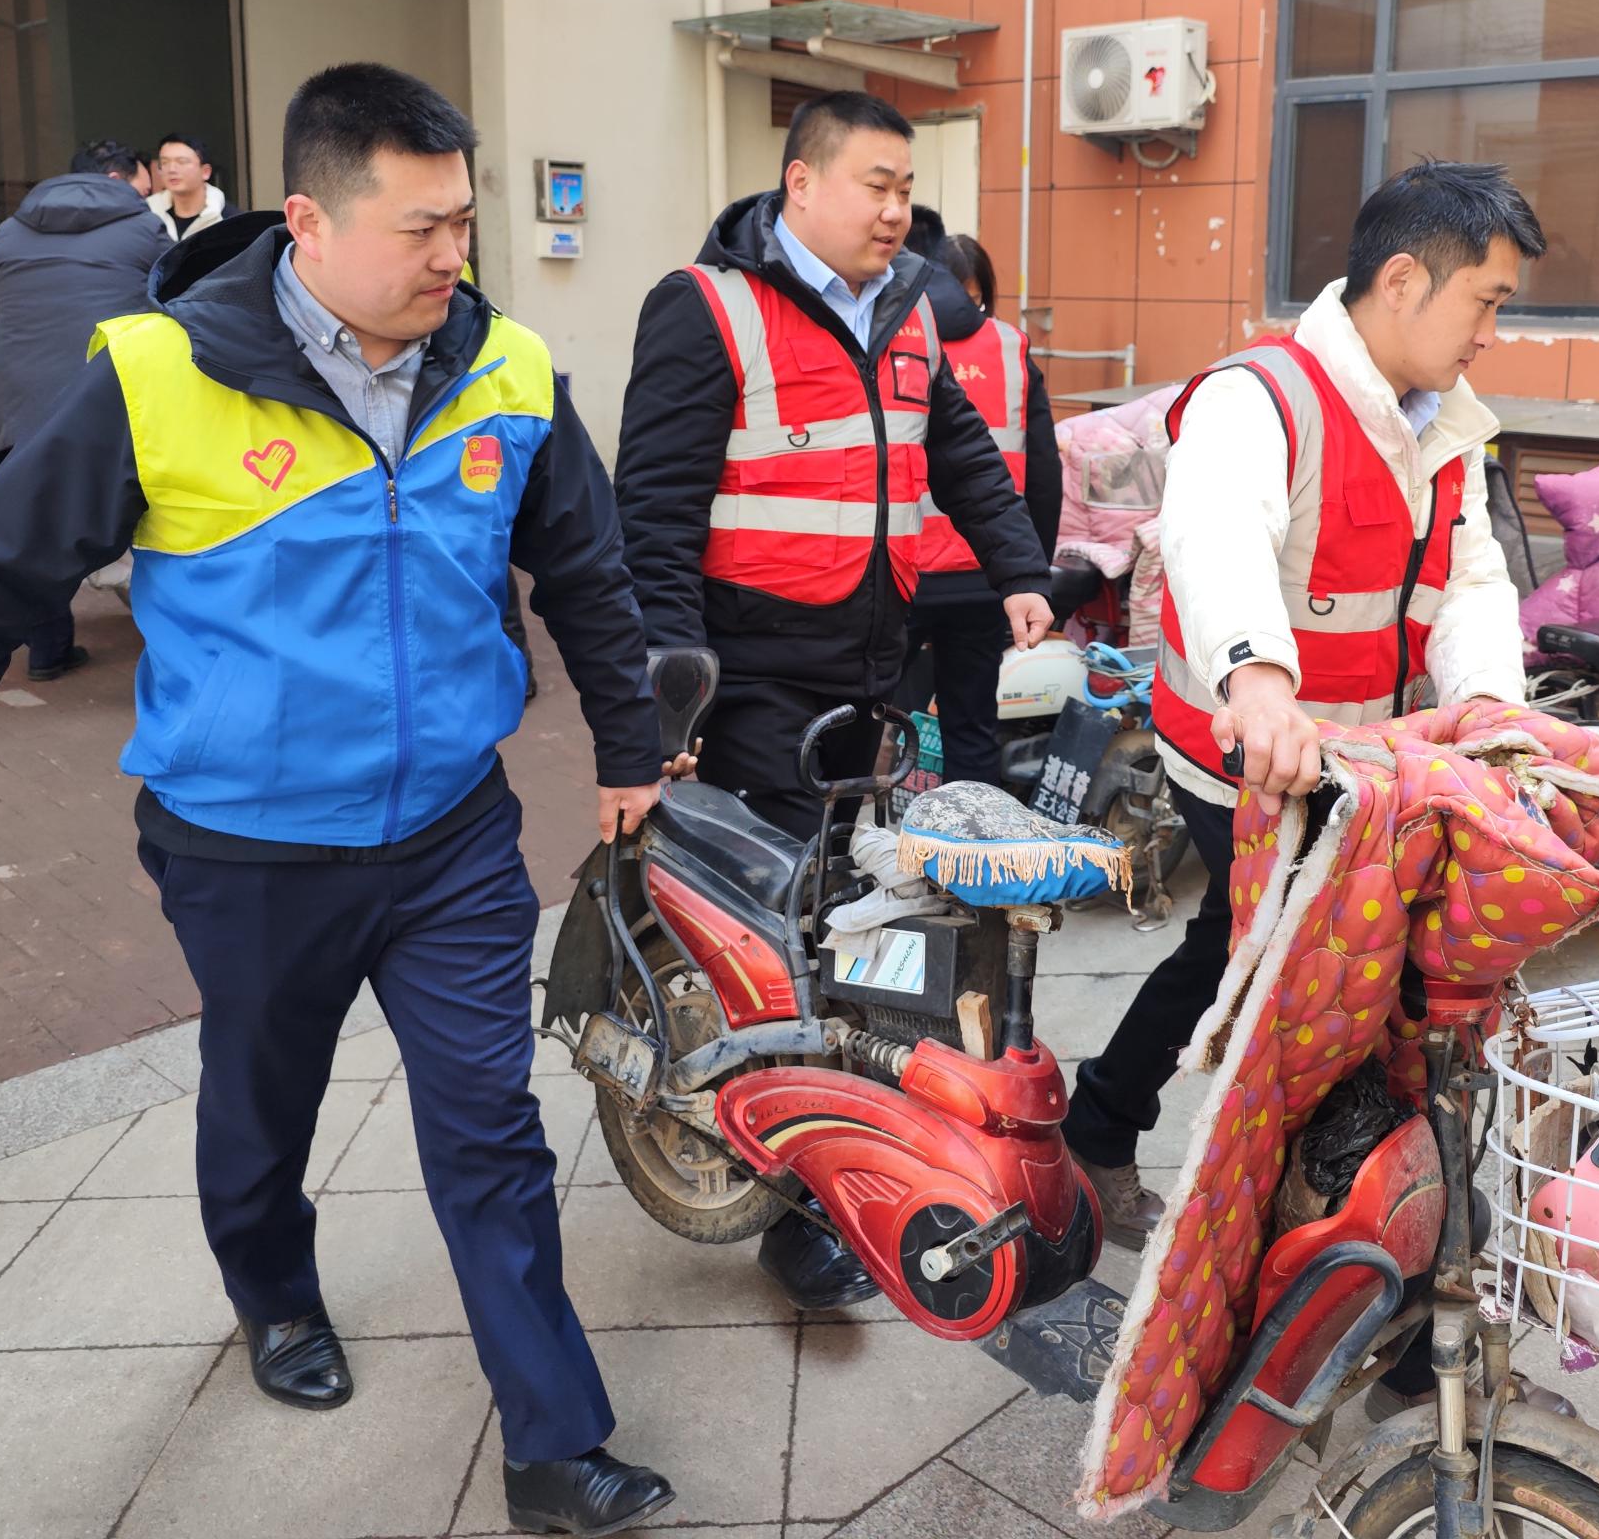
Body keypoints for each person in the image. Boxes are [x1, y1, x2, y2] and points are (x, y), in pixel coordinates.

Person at [0, 64, 680, 1538]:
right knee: (263, 1102)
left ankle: (555, 1443)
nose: (453, 256)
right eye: (419, 228)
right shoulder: (160, 374)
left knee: (491, 1129)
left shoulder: (511, 371)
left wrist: (628, 743)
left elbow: (587, 571)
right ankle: (273, 1294)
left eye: (463, 222)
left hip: (453, 836)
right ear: (309, 221)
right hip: (246, 848)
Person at [615, 90, 1054, 1311]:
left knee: (851, 925)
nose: (895, 209)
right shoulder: (708, 307)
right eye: (875, 183)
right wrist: (667, 698)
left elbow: (958, 454)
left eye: (906, 187)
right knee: (784, 944)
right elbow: (653, 515)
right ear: (800, 183)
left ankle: (833, 1151)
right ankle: (799, 1204)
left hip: (872, 668)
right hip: (751, 677)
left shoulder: (909, 308)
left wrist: (1019, 569)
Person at [1059, 159, 1543, 1248]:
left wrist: (1490, 710)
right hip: (1240, 753)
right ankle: (1236, 1175)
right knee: (1277, 956)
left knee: (1270, 952)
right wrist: (1257, 678)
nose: (1491, 333)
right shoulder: (1261, 395)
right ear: (1404, 280)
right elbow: (1216, 533)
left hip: (1361, 760)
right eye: (1486, 302)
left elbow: (1470, 579)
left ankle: (1299, 1177)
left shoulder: (1447, 425)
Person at [0, 139, 169, 682]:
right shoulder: (144, 228)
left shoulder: (10, 231)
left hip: (19, 407)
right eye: (145, 183)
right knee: (145, 518)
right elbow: (177, 305)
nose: (150, 193)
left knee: (32, 529)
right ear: (118, 180)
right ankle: (172, 642)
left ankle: (48, 650)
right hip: (110, 400)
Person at [903, 229, 1060, 787]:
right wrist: (1031, 573)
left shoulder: (892, 337)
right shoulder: (1010, 347)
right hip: (986, 574)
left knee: (872, 723)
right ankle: (972, 839)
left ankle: (862, 835)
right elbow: (1044, 474)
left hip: (901, 572)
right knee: (971, 728)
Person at [147, 131, 242, 240]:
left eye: (182, 162)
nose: (171, 169)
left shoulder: (229, 219)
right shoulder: (149, 213)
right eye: (165, 162)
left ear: (205, 172)